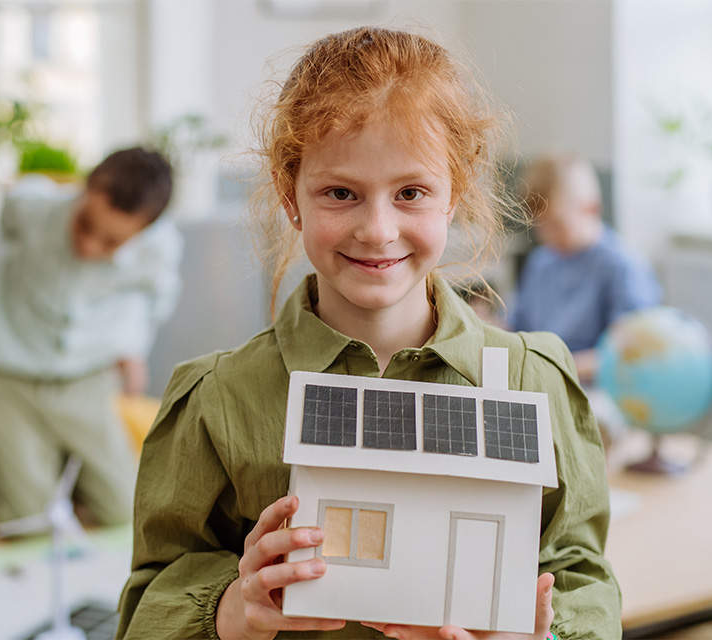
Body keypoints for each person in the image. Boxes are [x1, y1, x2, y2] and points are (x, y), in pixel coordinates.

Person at [117, 28, 621, 640]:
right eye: (340, 193)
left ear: (454, 192)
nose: (377, 230)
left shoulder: (531, 381)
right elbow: (149, 607)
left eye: (411, 192)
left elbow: (578, 577)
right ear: (289, 193)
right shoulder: (217, 399)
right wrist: (234, 610)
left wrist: (540, 635)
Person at [0, 147, 181, 529]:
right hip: (7, 373)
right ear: (83, 191)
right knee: (26, 520)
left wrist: (130, 348)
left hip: (87, 378)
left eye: (111, 242)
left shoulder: (159, 248)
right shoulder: (31, 209)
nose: (89, 246)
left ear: (144, 232)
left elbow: (152, 300)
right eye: (84, 225)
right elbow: (15, 200)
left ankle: (73, 505)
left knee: (125, 511)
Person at [508, 154, 661, 387]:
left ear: (591, 208)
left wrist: (553, 368)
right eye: (539, 226)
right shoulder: (542, 262)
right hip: (542, 380)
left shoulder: (622, 266)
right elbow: (517, 327)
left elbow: (629, 352)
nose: (546, 236)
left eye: (557, 224)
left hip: (597, 390)